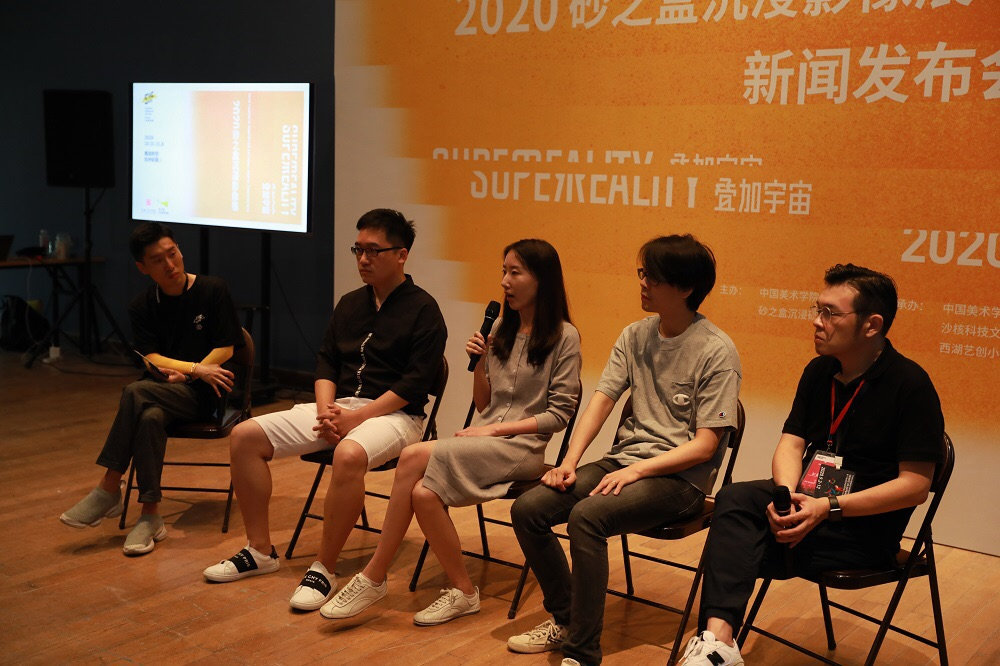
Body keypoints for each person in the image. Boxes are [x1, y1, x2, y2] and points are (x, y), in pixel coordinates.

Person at [678, 264, 945, 666]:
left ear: (872, 325)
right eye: (817, 309)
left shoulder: (911, 385)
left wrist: (828, 507)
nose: (817, 322)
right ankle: (720, 644)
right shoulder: (820, 371)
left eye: (830, 313)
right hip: (808, 503)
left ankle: (716, 645)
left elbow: (915, 486)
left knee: (735, 545)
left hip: (862, 529)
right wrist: (787, 497)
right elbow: (791, 443)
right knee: (735, 498)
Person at [506, 234, 742, 666]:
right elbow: (601, 401)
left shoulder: (716, 350)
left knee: (587, 516)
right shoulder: (635, 335)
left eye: (653, 277)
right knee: (529, 509)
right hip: (623, 462)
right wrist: (569, 462)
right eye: (642, 273)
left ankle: (582, 652)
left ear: (685, 288)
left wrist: (637, 471)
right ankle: (568, 618)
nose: (643, 283)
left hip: (680, 479)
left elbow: (705, 446)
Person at [320, 238, 582, 624]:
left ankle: (374, 576)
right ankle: (464, 592)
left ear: (542, 279)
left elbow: (559, 415)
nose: (505, 282)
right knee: (423, 495)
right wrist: (480, 363)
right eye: (503, 272)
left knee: (413, 455)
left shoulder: (565, 337)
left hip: (521, 450)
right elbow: (484, 404)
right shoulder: (501, 330)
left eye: (515, 272)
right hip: (483, 440)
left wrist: (493, 432)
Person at [202, 208, 448, 613]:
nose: (363, 259)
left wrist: (355, 420)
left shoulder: (424, 309)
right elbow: (326, 363)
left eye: (373, 251)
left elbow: (413, 385)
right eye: (358, 250)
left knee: (348, 454)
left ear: (402, 255)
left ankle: (324, 568)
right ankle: (260, 550)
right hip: (339, 407)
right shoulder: (351, 303)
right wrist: (326, 413)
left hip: (398, 417)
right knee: (245, 435)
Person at [59, 222, 243, 556]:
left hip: (206, 394)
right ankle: (150, 515)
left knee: (134, 392)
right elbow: (151, 358)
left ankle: (109, 486)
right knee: (149, 417)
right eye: (158, 260)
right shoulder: (142, 305)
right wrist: (193, 369)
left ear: (180, 250)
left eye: (172, 253)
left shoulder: (213, 289)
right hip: (162, 389)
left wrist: (191, 375)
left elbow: (227, 347)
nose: (170, 264)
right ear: (142, 267)